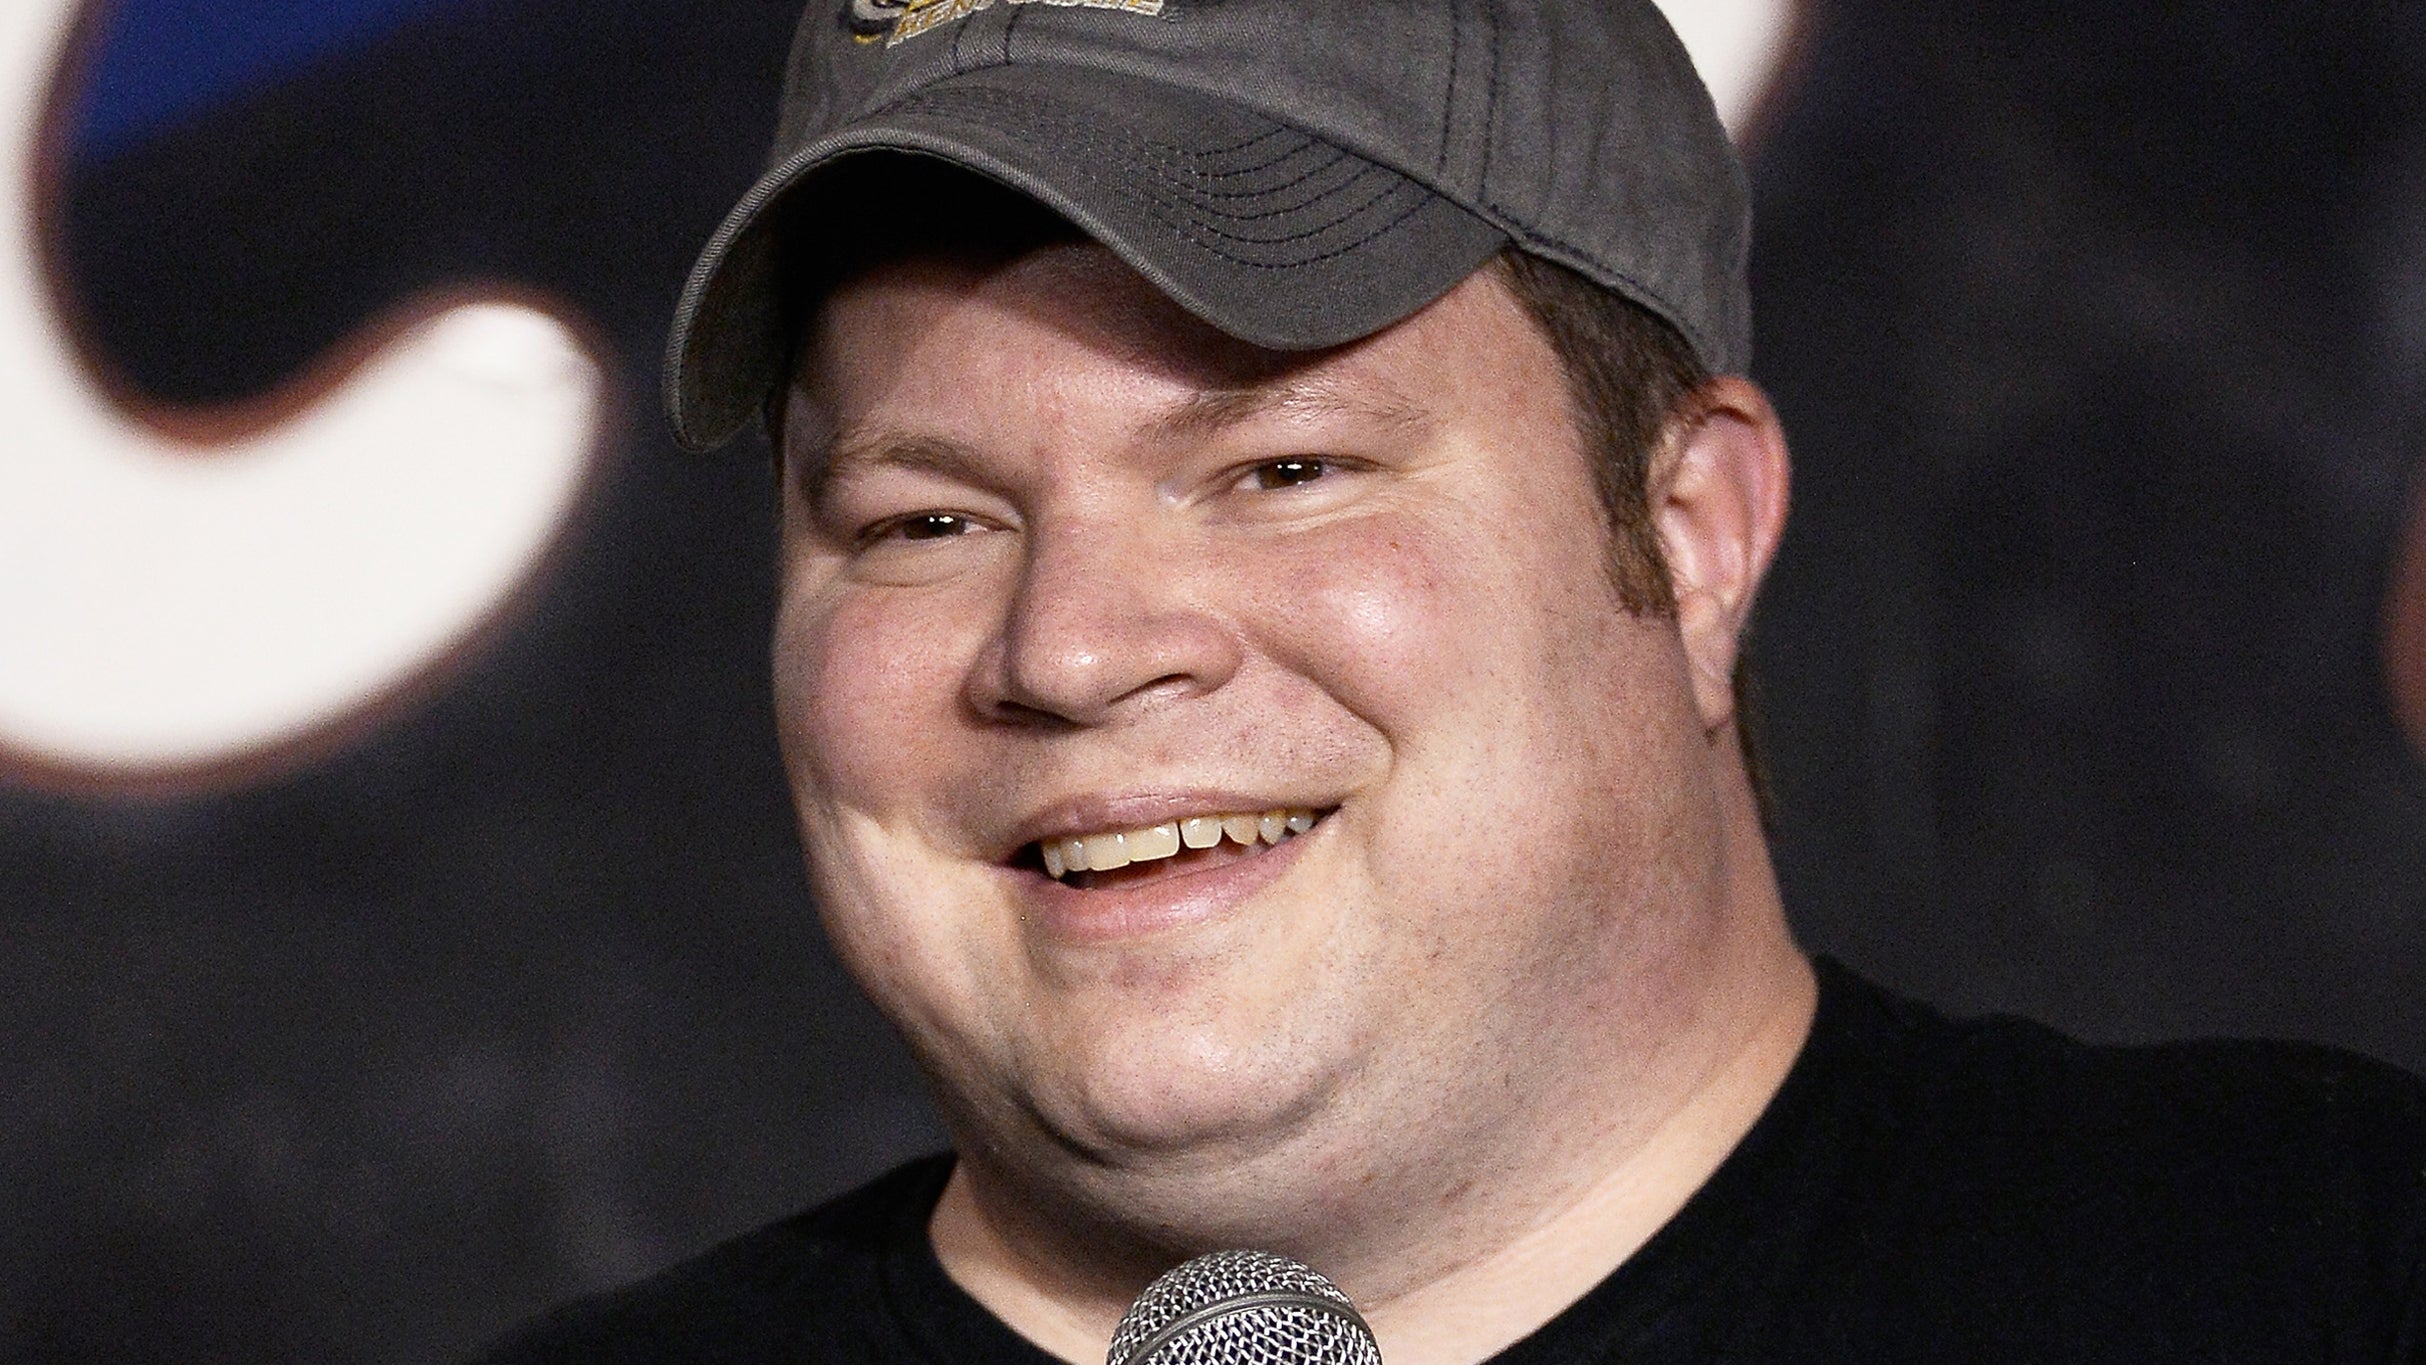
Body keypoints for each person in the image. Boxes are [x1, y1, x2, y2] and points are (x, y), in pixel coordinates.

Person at [478, 2, 2426, 1360]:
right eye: (924, 519)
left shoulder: (2324, 1275)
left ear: (1688, 530)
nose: (1069, 646)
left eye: (1280, 470)